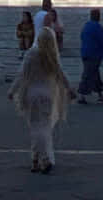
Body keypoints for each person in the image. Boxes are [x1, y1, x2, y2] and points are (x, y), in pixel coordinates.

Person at [9, 26, 75, 171]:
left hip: (31, 94)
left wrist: (12, 90)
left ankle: (38, 159)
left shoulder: (31, 54)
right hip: (47, 95)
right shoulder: (51, 55)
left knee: (35, 127)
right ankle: (40, 159)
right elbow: (60, 74)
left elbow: (22, 74)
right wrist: (69, 88)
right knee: (44, 127)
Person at [77, 8, 103, 104]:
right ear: (98, 17)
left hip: (85, 53)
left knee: (95, 74)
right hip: (93, 54)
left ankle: (100, 94)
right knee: (88, 74)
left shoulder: (86, 26)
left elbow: (82, 37)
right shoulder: (97, 27)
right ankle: (82, 96)